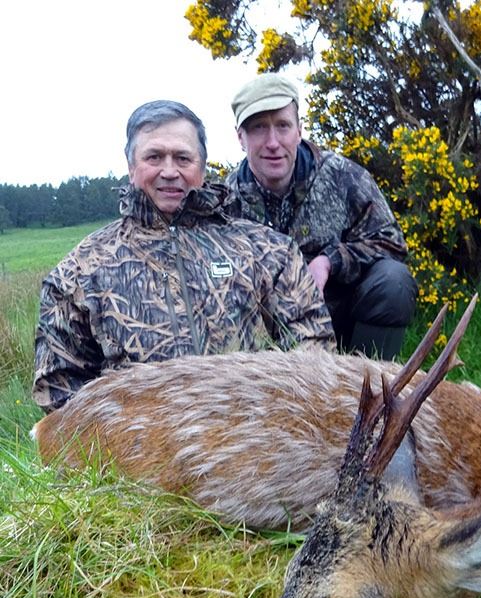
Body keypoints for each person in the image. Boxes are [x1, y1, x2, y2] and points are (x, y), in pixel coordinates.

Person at [33, 100, 335, 414]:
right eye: (154, 157)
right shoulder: (78, 272)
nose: (169, 171)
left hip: (256, 431)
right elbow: (59, 390)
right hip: (139, 440)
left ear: (202, 167)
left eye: (182, 158)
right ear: (131, 166)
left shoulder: (269, 251)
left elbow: (314, 351)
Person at [224, 73, 418, 361]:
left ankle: (370, 379)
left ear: (299, 130)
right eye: (259, 128)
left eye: (283, 126)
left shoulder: (344, 176)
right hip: (266, 334)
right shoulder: (224, 201)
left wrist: (330, 261)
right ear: (241, 137)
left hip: (337, 315)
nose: (273, 142)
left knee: (393, 281)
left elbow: (391, 244)